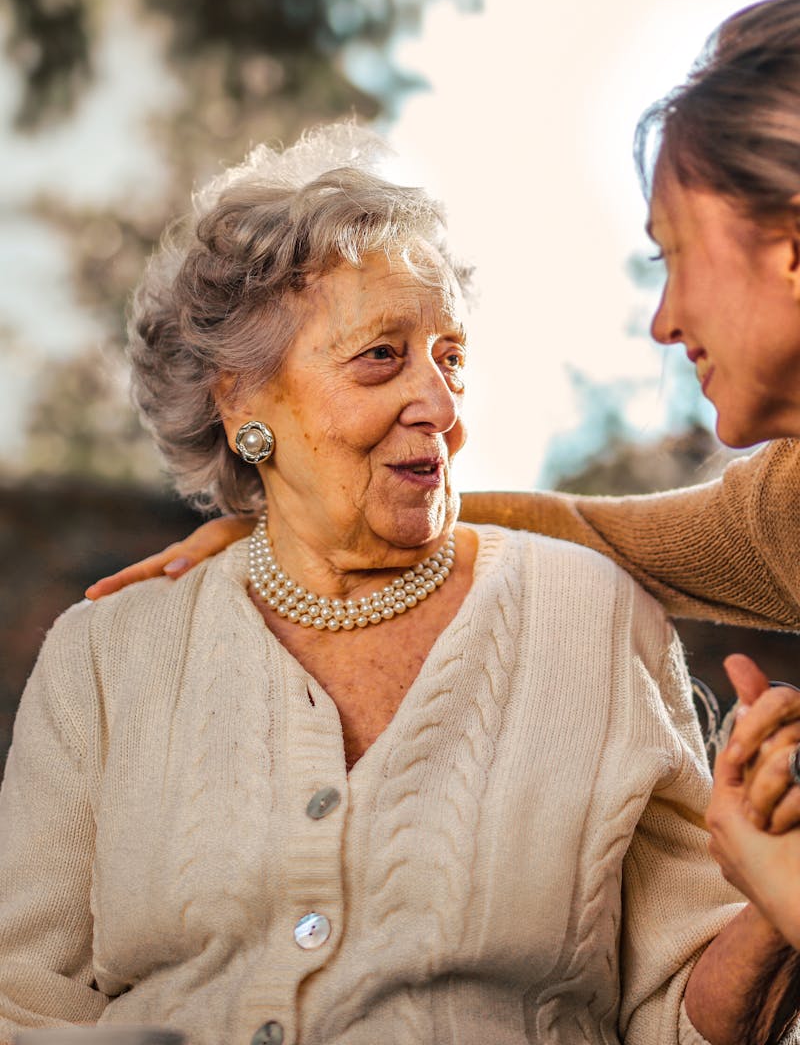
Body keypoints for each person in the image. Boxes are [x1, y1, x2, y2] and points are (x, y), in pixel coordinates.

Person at [0, 122, 796, 1045]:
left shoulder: (594, 617)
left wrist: (781, 908)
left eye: (450, 358)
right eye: (382, 355)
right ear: (240, 399)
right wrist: (292, 516)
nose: (445, 407)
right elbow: (21, 1006)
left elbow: (679, 1017)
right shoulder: (105, 655)